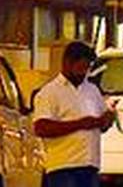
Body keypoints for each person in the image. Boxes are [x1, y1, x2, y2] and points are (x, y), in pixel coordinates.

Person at [32, 41, 115, 187]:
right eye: (81, 68)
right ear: (67, 63)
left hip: (90, 165)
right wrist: (80, 124)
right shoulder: (49, 93)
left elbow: (101, 124)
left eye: (87, 68)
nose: (84, 73)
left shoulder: (92, 90)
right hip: (64, 167)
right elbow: (41, 127)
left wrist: (107, 119)